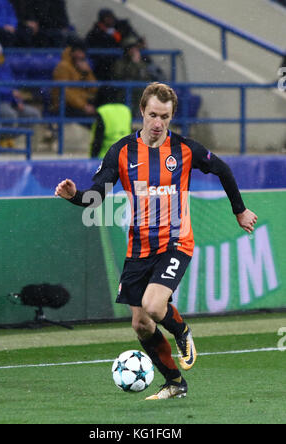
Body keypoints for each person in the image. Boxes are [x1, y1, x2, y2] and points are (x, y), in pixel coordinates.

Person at [55, 82, 258, 400]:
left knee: (153, 305)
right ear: (142, 112)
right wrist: (74, 196)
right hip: (139, 249)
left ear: (172, 115)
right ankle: (175, 382)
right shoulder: (121, 151)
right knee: (141, 324)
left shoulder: (185, 149)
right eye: (152, 115)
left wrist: (240, 210)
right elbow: (97, 196)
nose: (158, 123)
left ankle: (182, 331)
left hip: (176, 242)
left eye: (164, 116)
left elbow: (222, 169)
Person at [0, 37, 41, 147]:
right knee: (10, 115)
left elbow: (12, 86)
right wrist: (10, 94)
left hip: (9, 101)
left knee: (33, 115)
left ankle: (4, 138)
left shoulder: (4, 66)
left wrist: (16, 100)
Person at [52, 41, 97, 119]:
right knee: (91, 116)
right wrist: (83, 106)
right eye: (78, 52)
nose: (81, 55)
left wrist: (87, 73)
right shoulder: (63, 67)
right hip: (64, 105)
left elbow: (94, 89)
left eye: (82, 52)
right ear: (72, 52)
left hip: (80, 102)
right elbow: (65, 92)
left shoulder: (82, 66)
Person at [90, 86, 132, 158]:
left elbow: (98, 139)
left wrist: (93, 157)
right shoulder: (126, 110)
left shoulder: (103, 111)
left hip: (105, 157)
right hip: (124, 157)